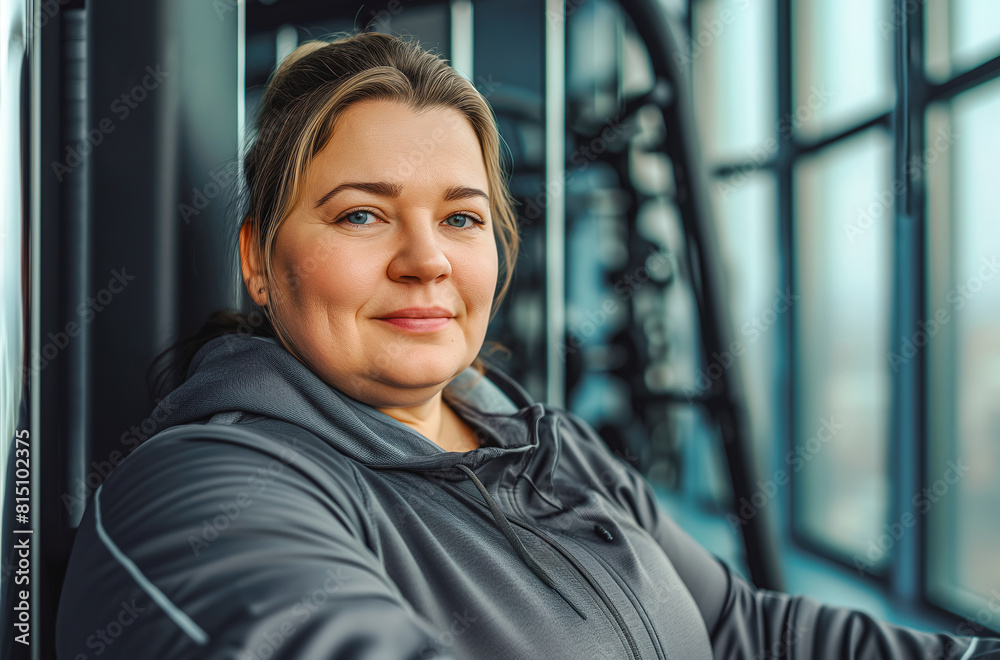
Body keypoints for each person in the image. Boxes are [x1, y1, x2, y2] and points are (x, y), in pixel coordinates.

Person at [55, 32, 997, 660]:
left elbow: (736, 626)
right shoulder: (201, 494)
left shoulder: (542, 442)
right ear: (260, 262)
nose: (426, 260)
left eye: (461, 218)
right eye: (362, 215)